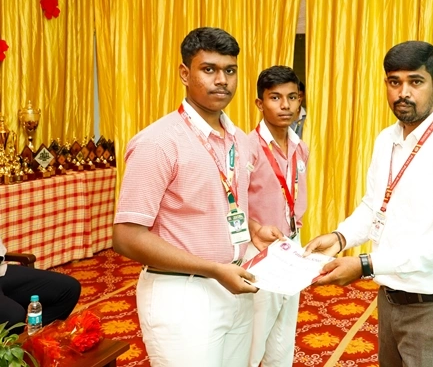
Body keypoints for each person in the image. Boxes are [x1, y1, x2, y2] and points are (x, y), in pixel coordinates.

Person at [304, 41, 433, 367]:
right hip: (391, 297)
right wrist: (340, 237)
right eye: (394, 82)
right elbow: (374, 205)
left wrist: (365, 265)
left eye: (415, 82)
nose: (403, 93)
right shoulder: (387, 139)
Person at [112, 27, 258, 367]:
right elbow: (126, 236)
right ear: (184, 73)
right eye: (209, 69)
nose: (222, 80)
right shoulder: (158, 142)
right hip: (181, 294)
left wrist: (254, 229)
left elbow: (216, 206)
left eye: (230, 70)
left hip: (235, 285)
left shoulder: (239, 139)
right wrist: (212, 269)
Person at [245, 66, 309, 367]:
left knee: (284, 334)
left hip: (291, 244)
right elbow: (229, 204)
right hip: (258, 249)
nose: (285, 105)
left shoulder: (300, 148)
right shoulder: (247, 149)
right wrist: (253, 229)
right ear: (260, 103)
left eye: (292, 97)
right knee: (254, 335)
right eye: (275, 98)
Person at [0, 238, 81, 334]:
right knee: (14, 316)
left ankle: (36, 336)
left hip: (2, 271)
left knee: (69, 289)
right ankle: (11, 342)